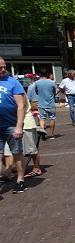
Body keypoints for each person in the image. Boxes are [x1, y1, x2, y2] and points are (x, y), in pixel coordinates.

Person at [0, 56, 26, 193]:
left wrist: (19, 126)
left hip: (11, 125)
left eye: (4, 66)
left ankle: (20, 179)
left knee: (16, 153)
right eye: (0, 68)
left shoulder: (13, 82)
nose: (3, 69)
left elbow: (21, 106)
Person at [35, 71, 57, 139]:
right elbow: (54, 91)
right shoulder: (52, 82)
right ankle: (52, 134)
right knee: (52, 118)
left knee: (42, 119)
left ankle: (43, 132)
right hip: (51, 103)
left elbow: (36, 91)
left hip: (41, 103)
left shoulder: (37, 82)